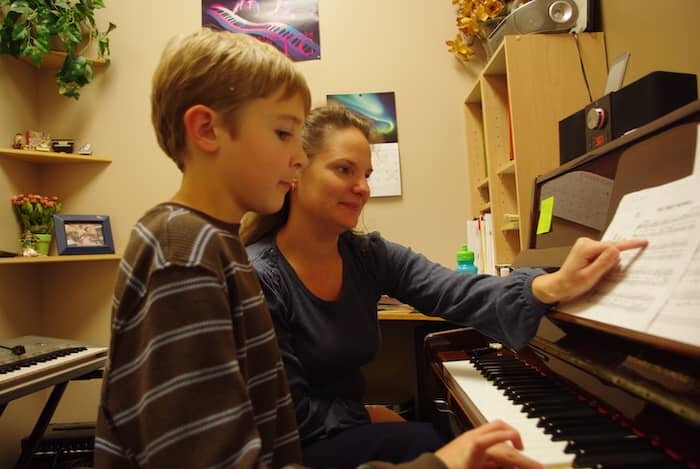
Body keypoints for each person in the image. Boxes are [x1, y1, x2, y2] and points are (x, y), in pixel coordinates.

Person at [93, 28, 546, 469]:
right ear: (207, 129)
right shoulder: (184, 251)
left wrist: (544, 287)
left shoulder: (213, 243)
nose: (296, 157)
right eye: (284, 134)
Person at [242, 105, 648, 468]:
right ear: (295, 172)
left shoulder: (368, 256)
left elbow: (456, 291)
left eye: (366, 174)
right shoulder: (261, 275)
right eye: (344, 170)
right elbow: (286, 415)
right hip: (293, 448)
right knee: (431, 439)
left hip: (343, 426)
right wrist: (365, 415)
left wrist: (550, 285)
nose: (363, 187)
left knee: (436, 435)